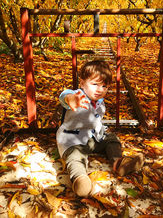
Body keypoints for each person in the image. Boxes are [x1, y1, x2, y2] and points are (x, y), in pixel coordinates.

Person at [56, 60, 144, 197]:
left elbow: (95, 122)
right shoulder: (77, 95)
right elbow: (64, 96)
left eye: (104, 86)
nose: (100, 89)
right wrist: (70, 99)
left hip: (93, 138)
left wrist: (102, 132)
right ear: (82, 83)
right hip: (72, 140)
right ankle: (80, 178)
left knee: (112, 139)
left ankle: (118, 162)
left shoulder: (100, 102)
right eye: (95, 84)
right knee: (75, 157)